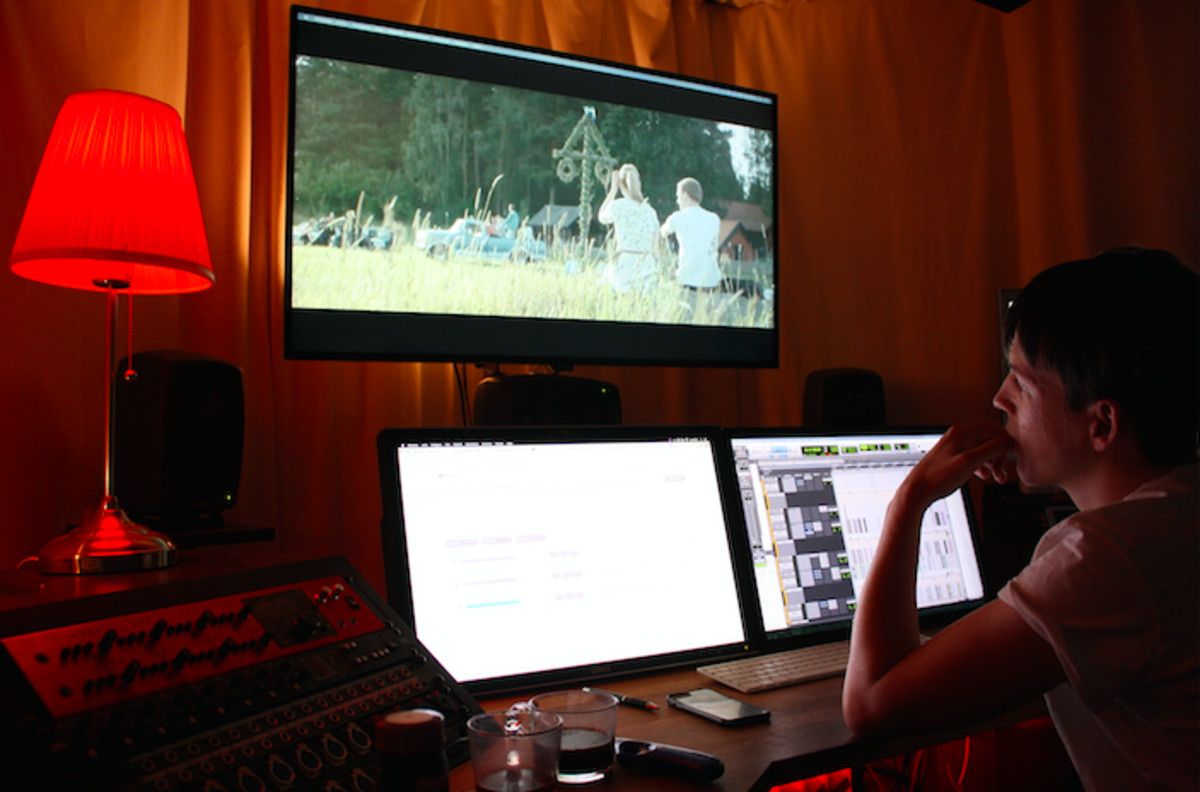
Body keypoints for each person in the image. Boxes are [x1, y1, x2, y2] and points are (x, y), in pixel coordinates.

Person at [841, 247, 1200, 791]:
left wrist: (908, 501)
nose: (999, 399)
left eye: (1022, 383)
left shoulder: (1105, 556)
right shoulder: (1174, 514)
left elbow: (870, 703)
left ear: (1102, 424)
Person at [660, 177, 722, 313]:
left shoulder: (677, 217)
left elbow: (663, 233)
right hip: (711, 280)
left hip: (688, 280)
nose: (677, 201)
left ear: (685, 195)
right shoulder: (714, 218)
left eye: (678, 196)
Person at [597, 164, 659, 292]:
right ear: (638, 183)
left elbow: (601, 216)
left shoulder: (619, 206)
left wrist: (613, 189)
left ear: (621, 184)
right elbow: (655, 249)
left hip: (624, 266)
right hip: (647, 268)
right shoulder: (650, 212)